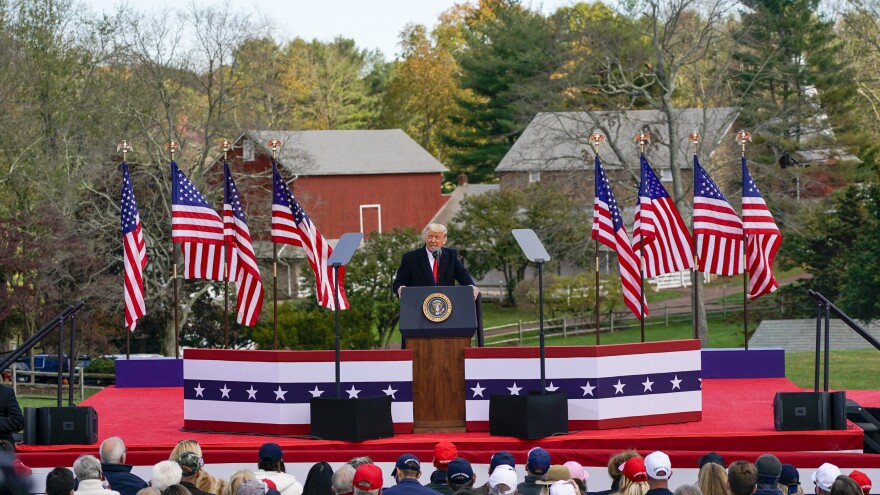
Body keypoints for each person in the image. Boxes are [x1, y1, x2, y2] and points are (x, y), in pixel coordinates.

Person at [392, 224, 479, 300]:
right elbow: (398, 283)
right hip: (418, 307)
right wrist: (400, 289)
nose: (433, 241)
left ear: (444, 240)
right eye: (430, 236)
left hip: (445, 307)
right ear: (425, 237)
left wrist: (471, 286)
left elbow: (463, 275)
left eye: (437, 237)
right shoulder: (411, 258)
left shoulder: (451, 256)